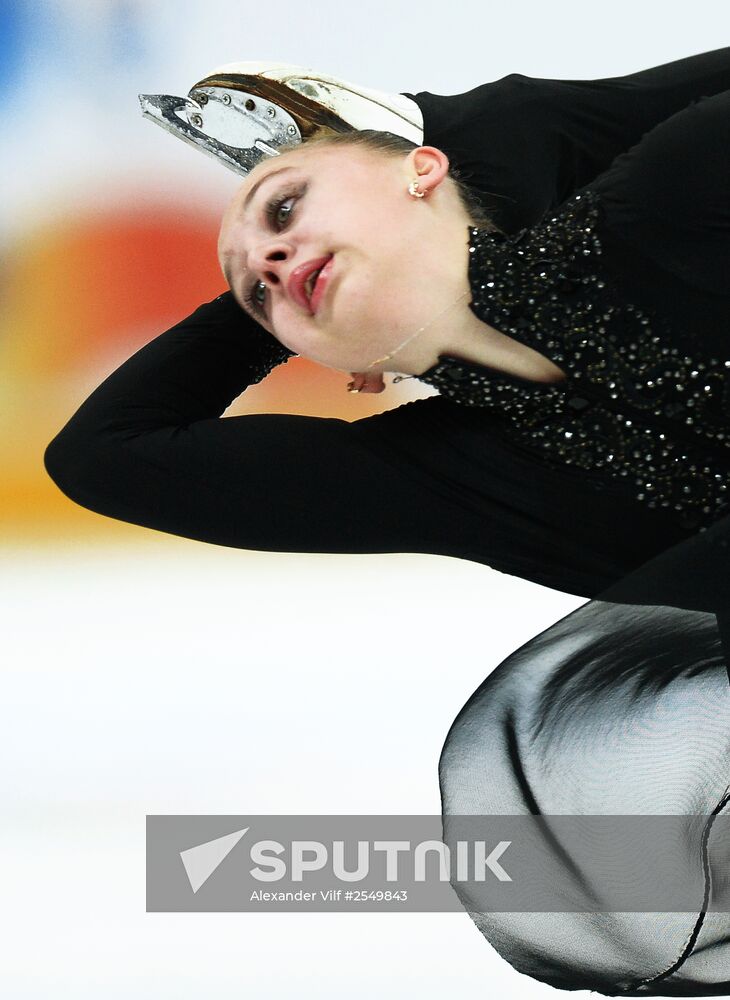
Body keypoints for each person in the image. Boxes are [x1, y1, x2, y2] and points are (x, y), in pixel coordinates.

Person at [44, 48, 730, 996]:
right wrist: (310, 286)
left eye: (284, 207)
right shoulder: (456, 473)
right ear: (343, 372)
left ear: (424, 167)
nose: (271, 260)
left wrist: (454, 127)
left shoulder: (673, 195)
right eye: (253, 292)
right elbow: (103, 457)